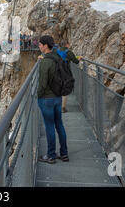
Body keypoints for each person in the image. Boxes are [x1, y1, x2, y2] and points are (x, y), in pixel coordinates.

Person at [37, 35, 69, 164]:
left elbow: (43, 84)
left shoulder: (45, 62)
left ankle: (51, 155)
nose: (39, 46)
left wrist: (37, 95)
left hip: (47, 99)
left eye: (40, 44)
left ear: (45, 46)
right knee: (59, 125)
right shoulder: (58, 57)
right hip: (57, 97)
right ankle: (64, 154)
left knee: (49, 126)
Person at [58, 39, 80, 113]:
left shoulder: (57, 51)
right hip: (65, 73)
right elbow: (76, 61)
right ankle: (63, 108)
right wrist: (78, 58)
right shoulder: (68, 52)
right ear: (66, 44)